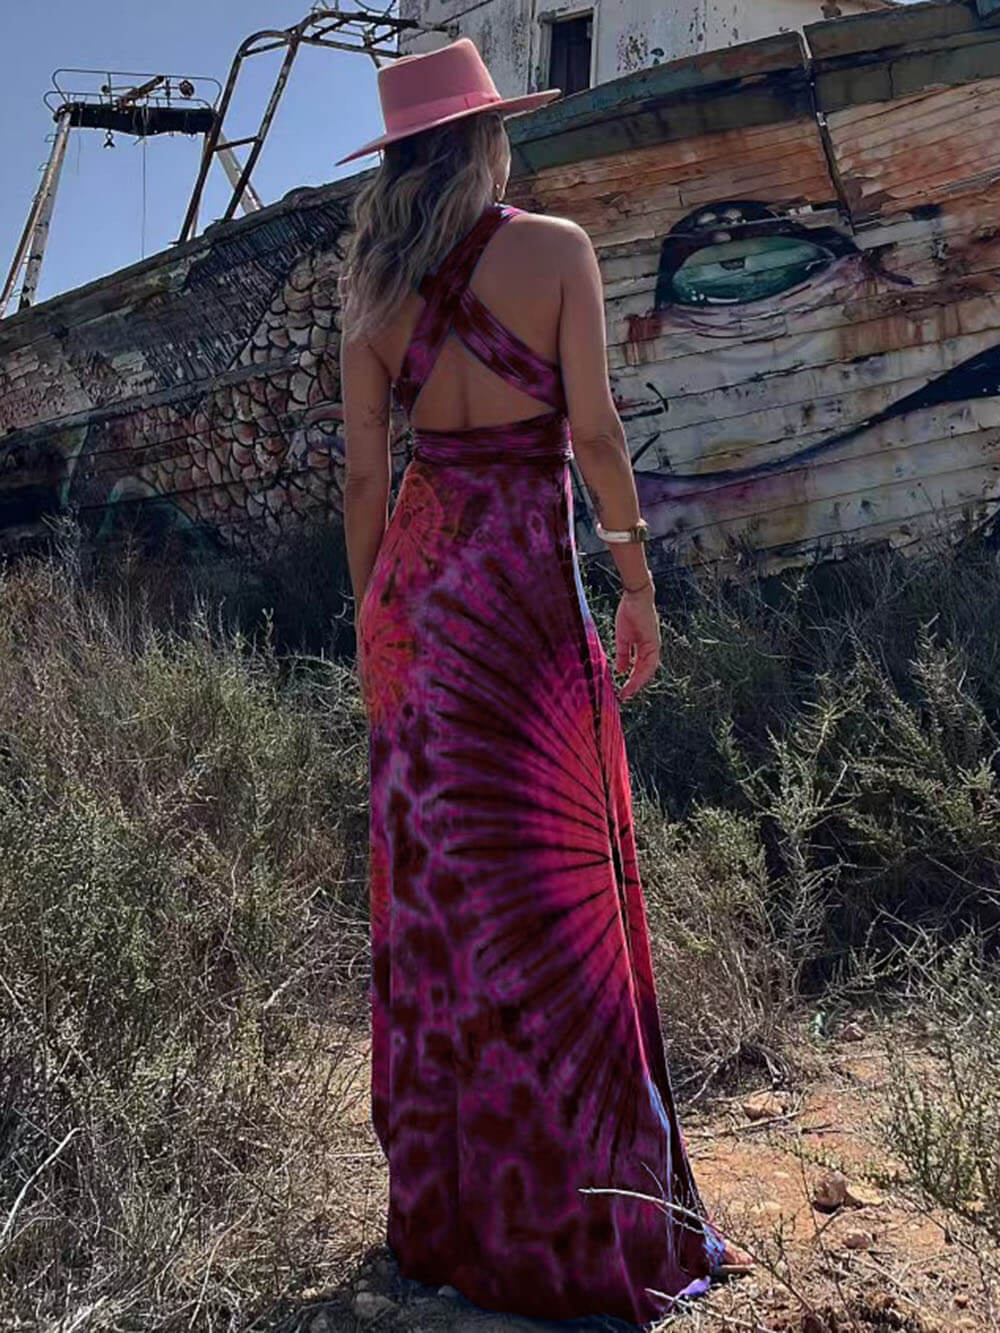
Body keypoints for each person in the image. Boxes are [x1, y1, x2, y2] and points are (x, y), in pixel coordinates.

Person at [337, 36, 752, 1329]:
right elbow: (598, 436)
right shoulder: (558, 251)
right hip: (524, 597)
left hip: (420, 601)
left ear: (402, 158)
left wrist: (372, 622)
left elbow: (364, 478)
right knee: (554, 888)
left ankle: (457, 1213)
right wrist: (636, 580)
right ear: (487, 139)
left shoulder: (370, 289)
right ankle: (582, 1208)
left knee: (449, 902)